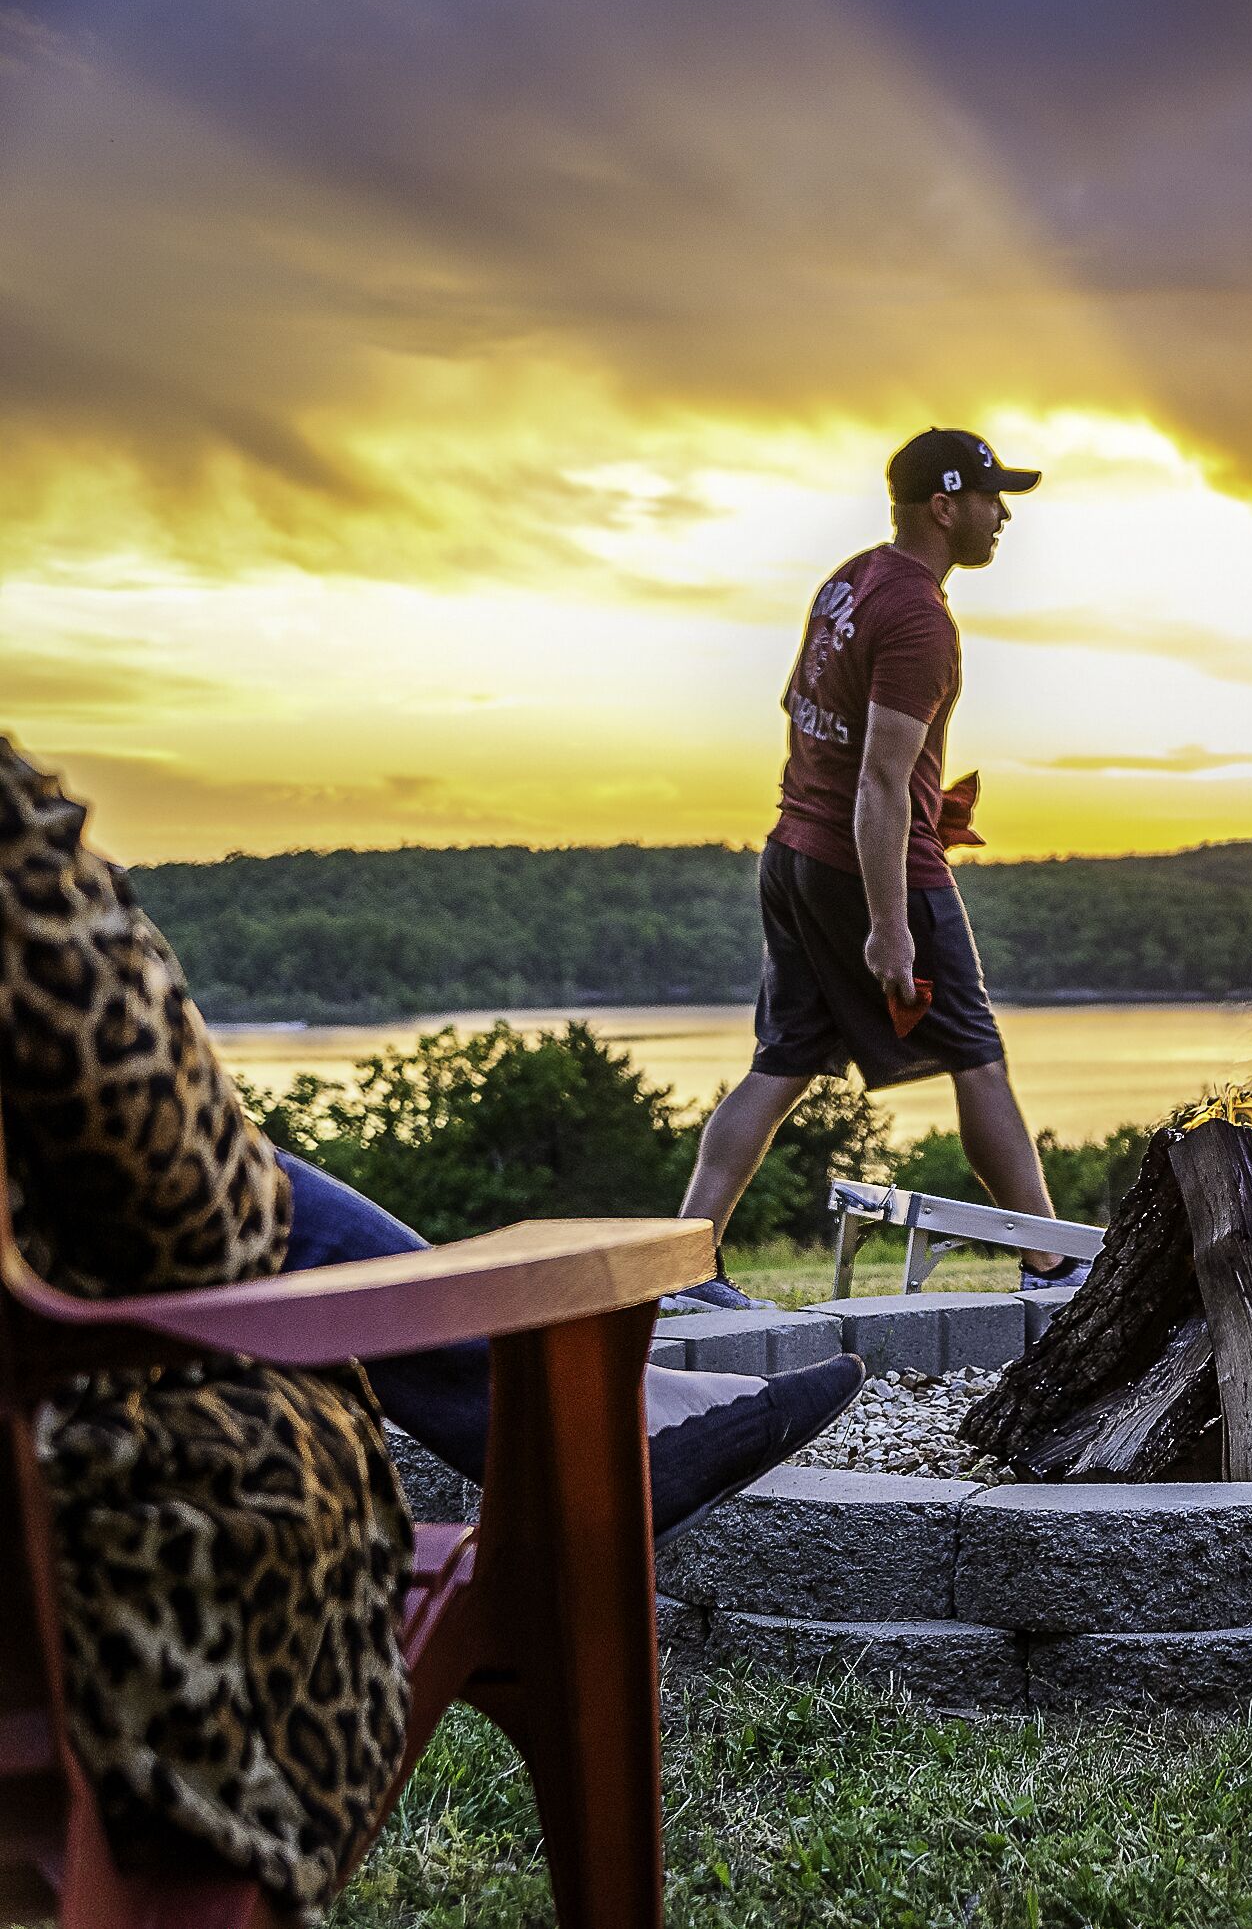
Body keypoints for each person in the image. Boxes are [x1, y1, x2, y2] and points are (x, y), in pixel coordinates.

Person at [1, 739, 860, 1913]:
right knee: (244, 1180)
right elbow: (191, 1194)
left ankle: (601, 1407)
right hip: (106, 1591)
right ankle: (590, 1413)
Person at [671, 428, 1063, 1309]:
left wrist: (914, 810)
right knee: (975, 1052)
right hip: (873, 868)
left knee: (782, 1061)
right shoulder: (920, 614)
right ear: (945, 504)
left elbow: (808, 720)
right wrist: (889, 923)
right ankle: (1050, 1263)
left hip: (794, 852)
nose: (1003, 517)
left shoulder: (849, 581)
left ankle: (686, 1268)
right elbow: (882, 781)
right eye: (993, 499)